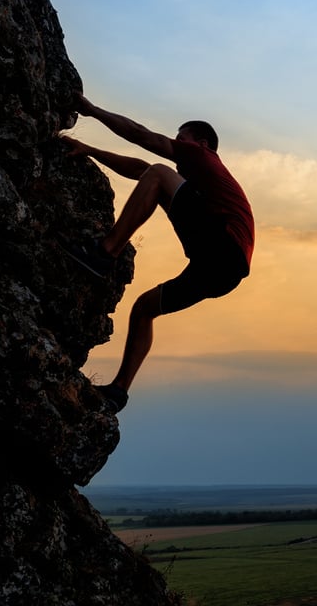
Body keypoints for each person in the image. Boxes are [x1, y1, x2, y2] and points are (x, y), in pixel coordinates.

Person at [59, 95, 254, 414]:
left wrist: (92, 110)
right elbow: (142, 170)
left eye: (182, 139)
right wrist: (91, 151)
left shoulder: (204, 159)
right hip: (221, 272)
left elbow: (142, 136)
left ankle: (105, 253)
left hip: (223, 245)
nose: (178, 143)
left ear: (202, 143)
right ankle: (119, 392)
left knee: (160, 172)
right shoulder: (198, 186)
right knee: (145, 308)